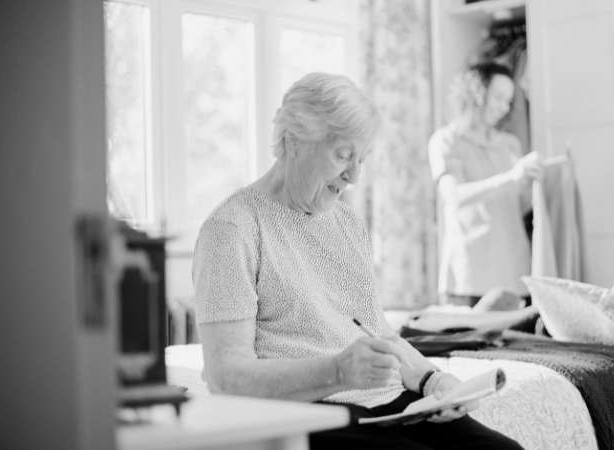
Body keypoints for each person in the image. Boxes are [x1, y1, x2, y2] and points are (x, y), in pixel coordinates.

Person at [192, 72, 523, 450]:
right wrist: (337, 371)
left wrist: (433, 381)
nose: (354, 176)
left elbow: (375, 329)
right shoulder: (231, 229)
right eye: (344, 155)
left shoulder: (346, 221)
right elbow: (225, 377)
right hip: (313, 410)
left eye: (361, 159)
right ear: (294, 140)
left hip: (388, 404)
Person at [429, 61, 542, 308]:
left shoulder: (510, 145)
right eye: (498, 97)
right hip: (469, 273)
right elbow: (454, 196)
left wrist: (538, 187)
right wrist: (511, 177)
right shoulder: (446, 141)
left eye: (508, 100)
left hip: (514, 270)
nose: (504, 107)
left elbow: (520, 206)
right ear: (475, 94)